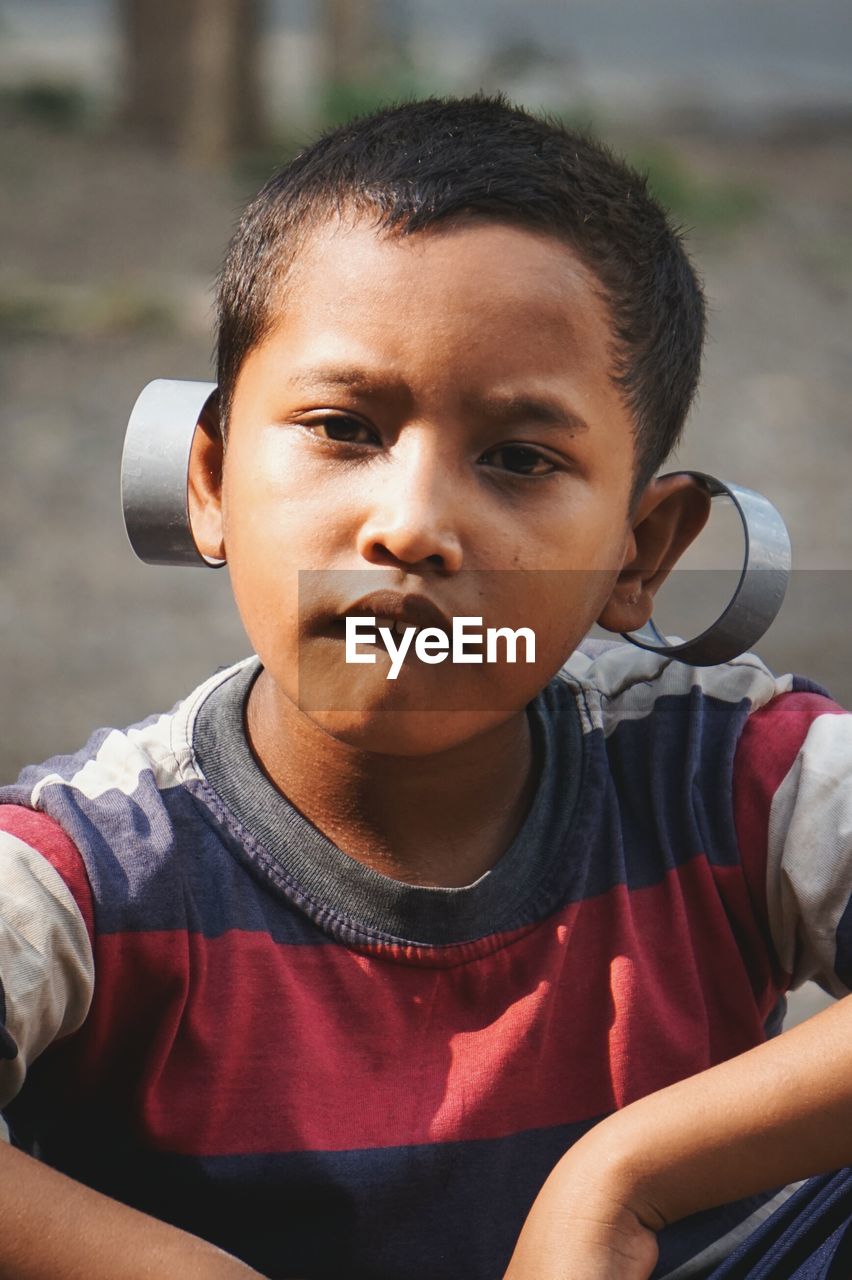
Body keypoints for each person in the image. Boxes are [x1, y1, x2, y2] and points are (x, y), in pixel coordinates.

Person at [1, 92, 852, 1280]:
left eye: (518, 457)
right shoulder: (92, 865)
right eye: (345, 426)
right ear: (207, 479)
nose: (412, 526)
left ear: (639, 553)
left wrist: (627, 1173)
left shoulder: (731, 776)